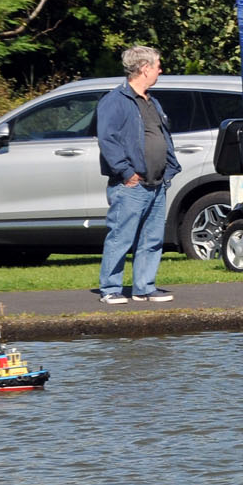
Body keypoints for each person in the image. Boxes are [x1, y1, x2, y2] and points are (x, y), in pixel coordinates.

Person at [94, 45, 180, 304]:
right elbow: (107, 140)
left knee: (152, 238)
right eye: (157, 65)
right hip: (131, 184)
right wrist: (126, 172)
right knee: (121, 236)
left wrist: (169, 168)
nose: (160, 70)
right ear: (144, 68)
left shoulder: (152, 101)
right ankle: (110, 288)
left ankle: (144, 287)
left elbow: (162, 136)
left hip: (157, 182)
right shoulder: (115, 101)